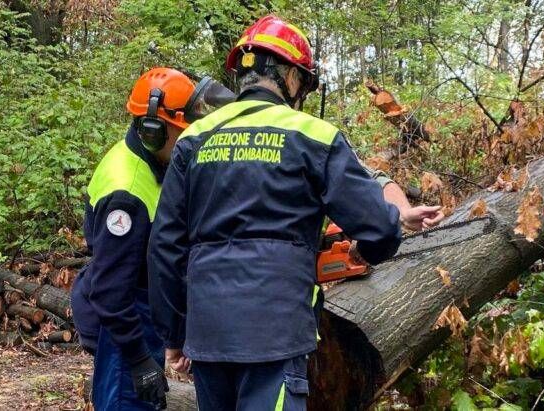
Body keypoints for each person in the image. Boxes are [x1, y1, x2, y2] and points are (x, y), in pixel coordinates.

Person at [148, 16, 441, 411]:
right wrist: (365, 252)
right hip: (276, 330)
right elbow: (379, 227)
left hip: (209, 332)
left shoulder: (194, 140)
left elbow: (165, 246)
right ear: (290, 76)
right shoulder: (313, 136)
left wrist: (175, 334)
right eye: (302, 81)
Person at [70, 67, 234, 410]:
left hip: (146, 312)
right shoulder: (126, 193)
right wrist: (138, 360)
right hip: (126, 322)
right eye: (180, 133)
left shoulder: (155, 166)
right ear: (153, 130)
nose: (187, 140)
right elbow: (110, 290)